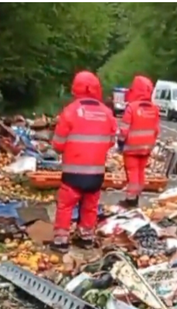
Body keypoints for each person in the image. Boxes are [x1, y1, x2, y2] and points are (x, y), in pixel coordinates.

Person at [51, 71, 118, 251]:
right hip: (96, 172)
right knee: (90, 205)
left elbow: (58, 143)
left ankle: (61, 240)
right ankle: (86, 237)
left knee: (65, 205)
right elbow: (111, 141)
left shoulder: (70, 111)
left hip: (73, 172)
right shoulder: (107, 113)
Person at [118, 75, 160, 208]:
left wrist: (120, 143)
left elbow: (124, 129)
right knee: (141, 172)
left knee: (132, 173)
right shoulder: (154, 109)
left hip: (131, 148)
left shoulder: (132, 107)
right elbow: (156, 129)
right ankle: (136, 196)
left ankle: (131, 199)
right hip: (147, 147)